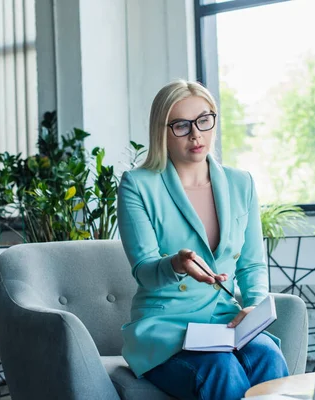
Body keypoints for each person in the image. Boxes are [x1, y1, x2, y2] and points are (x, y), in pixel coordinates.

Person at [117, 80, 289, 400]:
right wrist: (176, 264)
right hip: (166, 328)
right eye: (181, 125)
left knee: (268, 356)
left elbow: (252, 262)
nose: (196, 134)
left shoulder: (241, 183)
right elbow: (143, 269)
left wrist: (252, 305)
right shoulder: (138, 185)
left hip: (224, 322)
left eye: (203, 120)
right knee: (219, 370)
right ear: (162, 131)